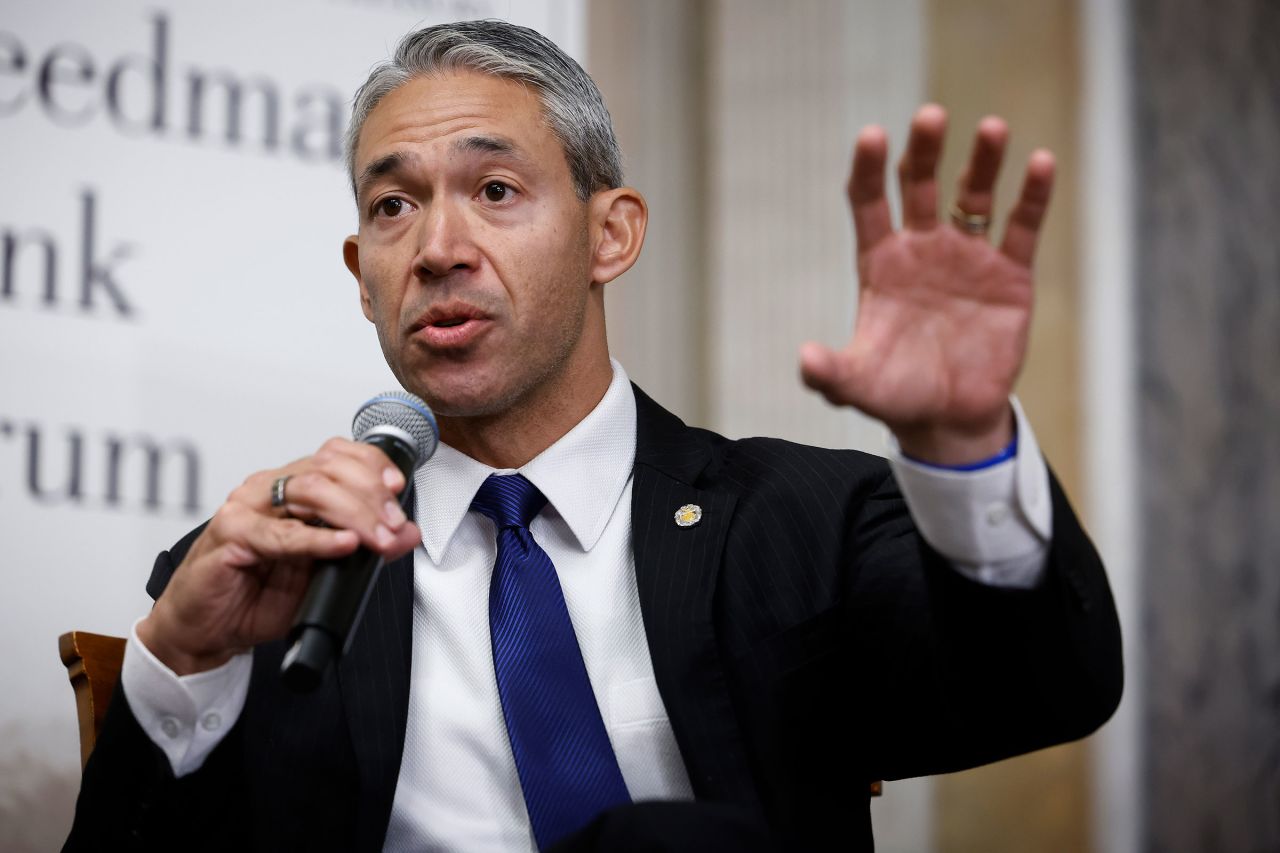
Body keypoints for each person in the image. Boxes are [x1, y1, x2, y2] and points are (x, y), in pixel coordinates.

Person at [65, 19, 1122, 853]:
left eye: (492, 190)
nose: (437, 248)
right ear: (361, 275)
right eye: (392, 207)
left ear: (607, 235)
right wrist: (181, 660)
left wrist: (963, 444)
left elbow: (1039, 690)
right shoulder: (266, 579)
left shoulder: (801, 523)